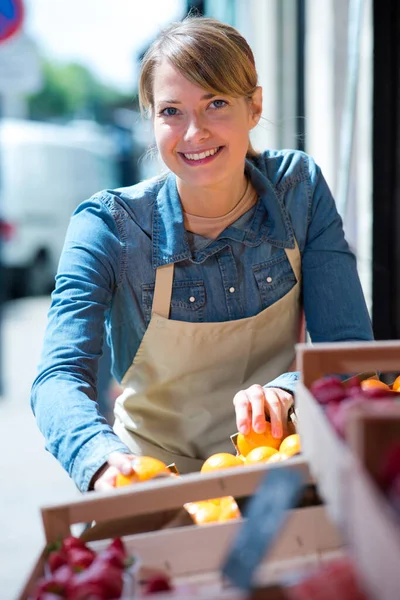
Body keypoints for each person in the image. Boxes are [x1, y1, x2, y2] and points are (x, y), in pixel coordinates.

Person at [31, 16, 373, 494]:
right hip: (150, 487)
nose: (194, 133)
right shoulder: (108, 226)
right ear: (150, 119)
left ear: (254, 106)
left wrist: (289, 388)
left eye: (216, 103)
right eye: (171, 111)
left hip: (279, 477)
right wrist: (101, 461)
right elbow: (58, 375)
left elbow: (349, 354)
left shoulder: (300, 190)